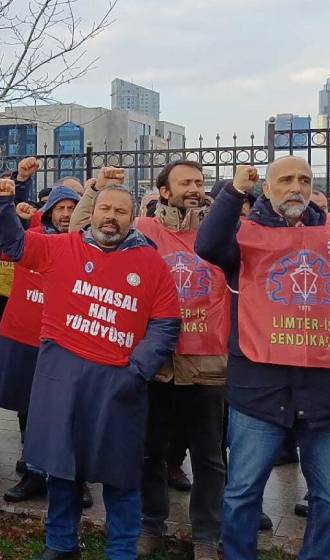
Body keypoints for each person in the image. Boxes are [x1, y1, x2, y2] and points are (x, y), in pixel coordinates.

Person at [0, 178, 181, 560]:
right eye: (105, 209)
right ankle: (61, 544)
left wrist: (137, 369)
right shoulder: (61, 247)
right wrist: (1, 202)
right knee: (62, 469)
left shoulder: (151, 263)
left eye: (121, 211)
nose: (111, 218)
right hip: (63, 377)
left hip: (119, 382)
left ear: (133, 218)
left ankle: (122, 548)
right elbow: (14, 245)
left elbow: (166, 322)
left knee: (121, 474)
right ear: (91, 213)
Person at [195, 158, 330, 560]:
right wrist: (232, 191)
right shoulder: (245, 237)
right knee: (243, 493)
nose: (296, 187)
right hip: (260, 390)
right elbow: (206, 246)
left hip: (326, 391)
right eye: (286, 180)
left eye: (305, 180)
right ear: (268, 188)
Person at [74, 163, 228, 560]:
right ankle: (151, 524)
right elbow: (82, 234)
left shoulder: (221, 232)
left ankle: (207, 536)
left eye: (199, 182)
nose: (194, 189)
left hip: (207, 362)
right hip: (156, 362)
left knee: (209, 457)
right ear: (163, 190)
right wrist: (96, 189)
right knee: (149, 451)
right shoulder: (142, 231)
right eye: (185, 183)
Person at [0, 161, 69, 504]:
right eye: (60, 208)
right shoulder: (32, 238)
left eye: (72, 209)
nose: (65, 214)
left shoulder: (89, 247)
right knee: (27, 408)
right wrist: (12, 201)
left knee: (66, 412)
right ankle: (34, 471)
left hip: (66, 342)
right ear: (48, 212)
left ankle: (66, 478)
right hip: (25, 336)